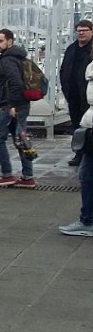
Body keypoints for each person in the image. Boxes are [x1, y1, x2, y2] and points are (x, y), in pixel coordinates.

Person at [0, 28, 36, 188]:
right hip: (17, 103)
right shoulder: (16, 57)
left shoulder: (8, 60)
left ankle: (7, 174)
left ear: (10, 41)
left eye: (0, 41)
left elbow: (15, 83)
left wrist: (11, 105)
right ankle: (28, 176)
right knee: (20, 139)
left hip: (13, 105)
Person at [60, 56, 93, 236]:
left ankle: (87, 221)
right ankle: (87, 219)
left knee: (86, 176)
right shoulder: (89, 68)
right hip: (89, 125)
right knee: (85, 175)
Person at [59, 19, 93, 167]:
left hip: (89, 97)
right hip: (73, 96)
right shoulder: (71, 49)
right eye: (79, 30)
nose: (81, 33)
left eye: (84, 30)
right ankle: (79, 154)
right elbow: (63, 69)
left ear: (91, 31)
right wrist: (65, 88)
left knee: (88, 128)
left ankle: (88, 156)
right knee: (77, 127)